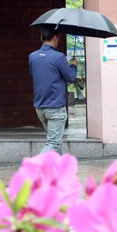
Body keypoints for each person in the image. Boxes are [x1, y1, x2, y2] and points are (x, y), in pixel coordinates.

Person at [28, 26, 78, 155]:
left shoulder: (32, 56)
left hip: (40, 107)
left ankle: (56, 173)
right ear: (55, 37)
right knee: (54, 143)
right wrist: (73, 65)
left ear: (41, 38)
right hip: (55, 107)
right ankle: (34, 166)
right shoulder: (58, 57)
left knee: (55, 143)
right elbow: (71, 77)